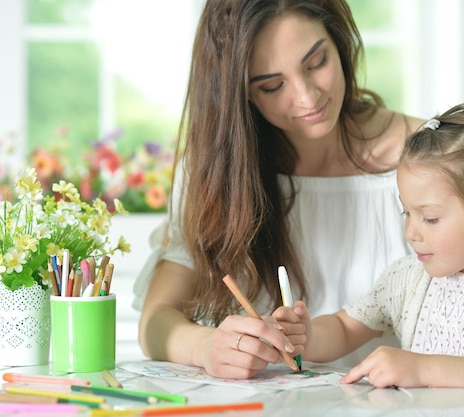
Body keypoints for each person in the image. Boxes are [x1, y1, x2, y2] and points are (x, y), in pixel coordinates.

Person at [133, 0, 424, 379]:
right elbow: (155, 321)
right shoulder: (218, 172)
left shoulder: (431, 156)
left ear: (340, 44)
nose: (307, 98)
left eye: (317, 63)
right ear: (242, 94)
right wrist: (206, 346)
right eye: (272, 85)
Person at [274, 103, 464, 416]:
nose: (411, 231)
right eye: (406, 213)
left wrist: (425, 370)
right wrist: (308, 336)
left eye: (430, 218)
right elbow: (345, 328)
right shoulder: (408, 278)